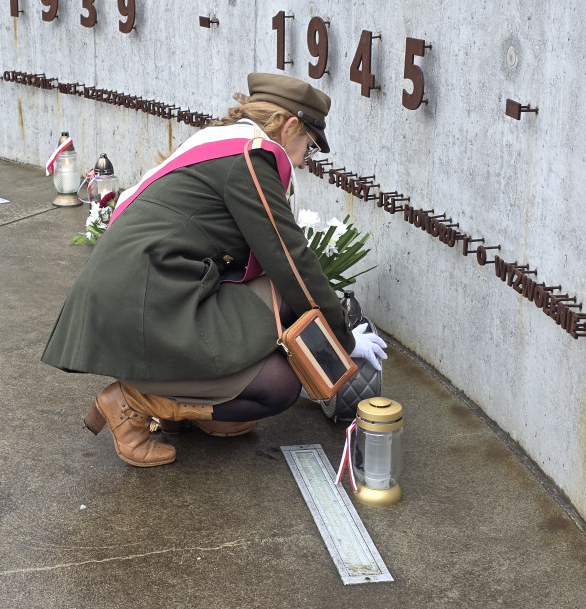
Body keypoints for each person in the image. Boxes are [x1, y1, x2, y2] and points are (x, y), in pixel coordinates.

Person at [41, 73, 387, 467]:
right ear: (290, 126)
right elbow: (291, 259)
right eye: (306, 147)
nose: (302, 161)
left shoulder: (224, 144)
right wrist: (343, 340)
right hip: (148, 302)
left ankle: (191, 409)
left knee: (278, 309)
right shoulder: (251, 157)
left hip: (148, 291)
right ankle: (132, 403)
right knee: (279, 387)